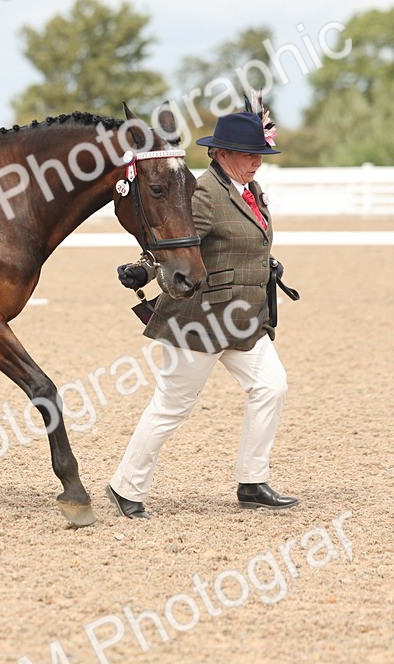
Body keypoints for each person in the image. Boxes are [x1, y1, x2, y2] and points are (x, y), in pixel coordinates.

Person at [107, 108, 299, 519]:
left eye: (260, 152)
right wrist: (143, 268)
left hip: (245, 318)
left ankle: (252, 481)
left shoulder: (252, 189)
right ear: (224, 153)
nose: (258, 159)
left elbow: (245, 239)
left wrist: (268, 264)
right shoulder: (205, 193)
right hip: (199, 319)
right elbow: (175, 239)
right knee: (173, 405)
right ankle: (126, 485)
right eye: (250, 153)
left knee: (272, 387)